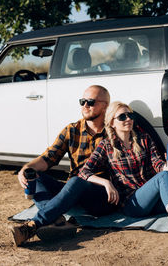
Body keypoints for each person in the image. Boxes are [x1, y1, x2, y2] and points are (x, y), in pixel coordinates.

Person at [78, 101, 168, 243]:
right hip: (133, 204)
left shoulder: (144, 139)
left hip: (153, 199)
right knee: (164, 176)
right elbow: (84, 172)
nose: (128, 119)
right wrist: (106, 183)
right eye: (122, 117)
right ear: (112, 122)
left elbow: (157, 163)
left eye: (130, 115)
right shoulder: (106, 145)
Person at [10, 85, 118, 246]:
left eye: (90, 102)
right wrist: (26, 169)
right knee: (35, 175)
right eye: (82, 101)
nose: (85, 106)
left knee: (76, 181)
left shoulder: (114, 131)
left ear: (105, 106)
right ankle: (58, 222)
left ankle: (32, 226)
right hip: (73, 192)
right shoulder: (72, 130)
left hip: (101, 195)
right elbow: (48, 158)